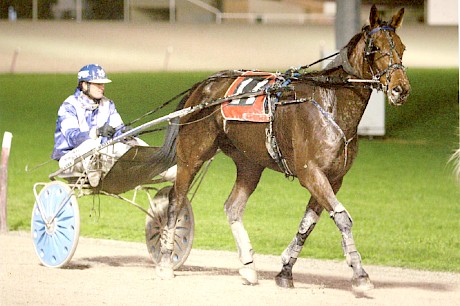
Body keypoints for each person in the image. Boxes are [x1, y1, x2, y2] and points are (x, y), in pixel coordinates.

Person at [51, 64, 137, 186]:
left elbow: (117, 129)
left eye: (102, 84)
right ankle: (95, 174)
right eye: (97, 84)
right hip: (70, 159)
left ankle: (162, 169)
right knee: (91, 144)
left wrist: (125, 133)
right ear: (84, 85)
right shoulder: (69, 106)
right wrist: (96, 132)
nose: (101, 88)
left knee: (132, 142)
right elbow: (71, 137)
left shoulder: (107, 104)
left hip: (100, 154)